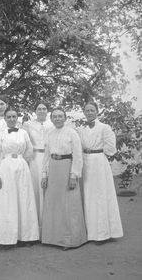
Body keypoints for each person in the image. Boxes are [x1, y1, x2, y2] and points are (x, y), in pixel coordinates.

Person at [0, 107, 39, 245]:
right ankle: (6, 237)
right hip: (6, 167)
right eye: (8, 117)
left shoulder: (23, 133)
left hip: (21, 166)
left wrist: (20, 161)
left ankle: (25, 236)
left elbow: (29, 150)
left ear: (17, 118)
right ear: (5, 119)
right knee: (7, 201)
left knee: (23, 199)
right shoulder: (1, 134)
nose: (11, 119)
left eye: (14, 116)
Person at [77, 101, 123, 243]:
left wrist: (98, 152)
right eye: (87, 110)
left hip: (99, 162)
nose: (89, 113)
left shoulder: (105, 127)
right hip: (85, 162)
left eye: (92, 110)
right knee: (88, 195)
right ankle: (90, 232)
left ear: (97, 111)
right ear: (84, 112)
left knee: (100, 195)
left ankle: (103, 233)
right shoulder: (81, 128)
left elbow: (111, 149)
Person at [41, 107, 87, 250]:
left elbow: (78, 155)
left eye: (60, 116)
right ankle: (52, 238)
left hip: (67, 167)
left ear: (65, 118)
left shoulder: (72, 133)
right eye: (54, 116)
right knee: (53, 203)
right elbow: (46, 155)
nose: (57, 118)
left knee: (68, 204)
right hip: (53, 168)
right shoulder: (49, 133)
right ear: (51, 118)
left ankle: (69, 240)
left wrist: (74, 175)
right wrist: (44, 174)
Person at [23, 102, 53, 228]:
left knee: (49, 188)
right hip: (34, 159)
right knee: (35, 188)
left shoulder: (53, 123)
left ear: (48, 110)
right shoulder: (28, 124)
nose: (41, 111)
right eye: (39, 108)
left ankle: (49, 222)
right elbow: (24, 143)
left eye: (44, 108)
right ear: (35, 111)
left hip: (50, 158)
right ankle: (34, 224)